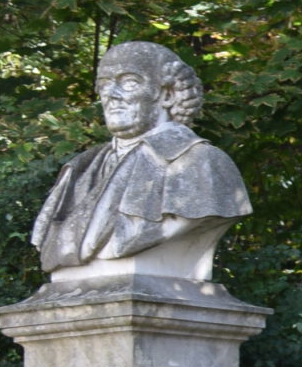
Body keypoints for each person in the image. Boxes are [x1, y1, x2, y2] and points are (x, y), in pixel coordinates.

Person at [33, 41, 251, 279]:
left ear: (167, 94)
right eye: (104, 85)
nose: (111, 96)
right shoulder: (80, 168)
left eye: (129, 83)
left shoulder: (203, 163)